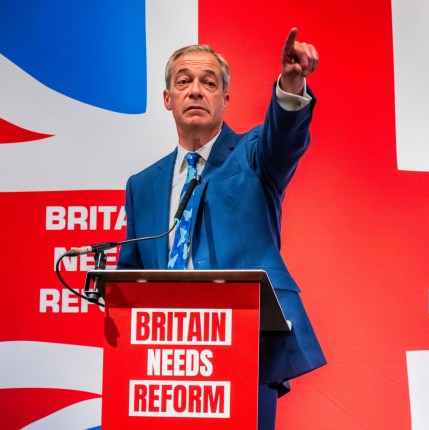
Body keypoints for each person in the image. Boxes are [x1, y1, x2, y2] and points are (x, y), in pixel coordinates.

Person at [117, 28, 326, 429]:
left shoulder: (253, 156)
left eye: (208, 82)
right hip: (166, 359)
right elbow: (130, 276)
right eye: (184, 82)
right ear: (168, 99)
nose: (196, 90)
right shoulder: (141, 186)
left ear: (225, 100)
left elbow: (284, 137)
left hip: (245, 346)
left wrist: (291, 84)